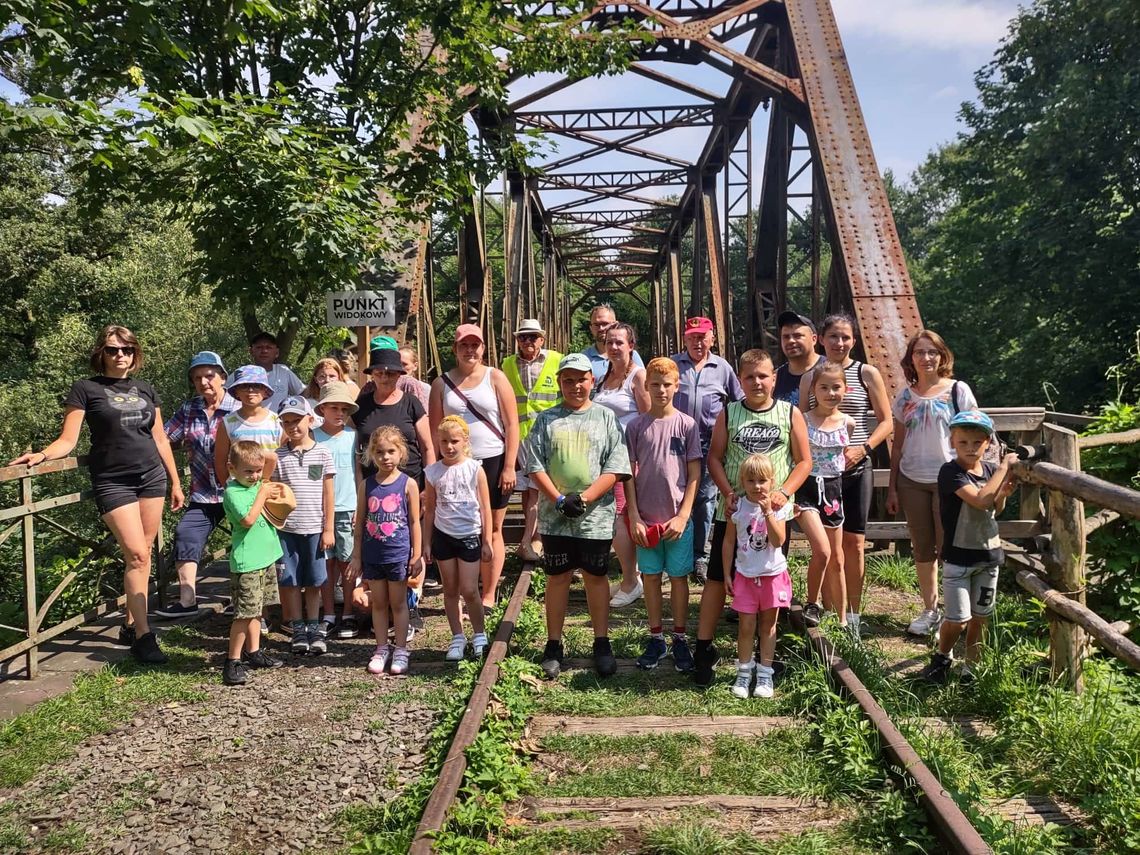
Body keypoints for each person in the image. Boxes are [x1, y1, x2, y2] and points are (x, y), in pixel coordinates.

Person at [11, 325, 184, 664]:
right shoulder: (85, 389)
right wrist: (42, 455)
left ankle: (131, 623)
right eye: (112, 350)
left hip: (151, 477)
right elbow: (68, 440)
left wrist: (175, 481)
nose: (120, 355)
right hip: (113, 480)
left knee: (144, 553)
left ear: (135, 354)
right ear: (100, 354)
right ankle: (145, 638)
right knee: (135, 554)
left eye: (127, 350)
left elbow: (160, 438)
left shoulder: (146, 388)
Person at [694, 349, 811, 688]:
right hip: (732, 512)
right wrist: (727, 492)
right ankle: (704, 647)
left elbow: (803, 461)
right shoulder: (729, 414)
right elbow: (714, 457)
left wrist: (784, 492)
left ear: (774, 379)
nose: (757, 382)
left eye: (763, 376)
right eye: (749, 377)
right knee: (717, 577)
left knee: (769, 577)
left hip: (772, 515)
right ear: (740, 381)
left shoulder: (789, 413)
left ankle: (765, 658)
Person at [526, 353, 631, 679]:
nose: (575, 386)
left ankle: (602, 642)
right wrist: (559, 499)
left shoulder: (606, 418)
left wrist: (584, 498)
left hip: (595, 516)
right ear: (560, 383)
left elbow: (615, 467)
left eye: (581, 379)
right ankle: (554, 645)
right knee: (557, 577)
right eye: (568, 380)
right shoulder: (546, 420)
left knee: (595, 576)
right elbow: (534, 466)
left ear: (591, 381)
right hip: (555, 515)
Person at [797, 313, 892, 640]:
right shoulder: (811, 376)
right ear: (821, 339)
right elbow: (800, 424)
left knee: (855, 544)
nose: (839, 343)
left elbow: (886, 421)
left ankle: (853, 613)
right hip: (824, 475)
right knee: (830, 548)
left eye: (846, 337)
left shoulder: (867, 373)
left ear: (854, 340)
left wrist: (862, 449)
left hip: (856, 468)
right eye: (833, 336)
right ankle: (830, 612)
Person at [887, 330, 978, 637]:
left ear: (942, 356)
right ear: (910, 358)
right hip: (912, 480)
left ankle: (956, 614)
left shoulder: (957, 391)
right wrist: (892, 487)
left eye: (932, 352)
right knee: (922, 548)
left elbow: (977, 436)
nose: (926, 358)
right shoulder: (904, 397)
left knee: (950, 548)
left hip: (949, 481)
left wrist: (976, 477)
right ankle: (931, 610)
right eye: (919, 352)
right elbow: (897, 446)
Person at [920, 411, 1017, 684]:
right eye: (963, 442)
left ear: (987, 443)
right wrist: (1003, 468)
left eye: (977, 442)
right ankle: (942, 656)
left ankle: (971, 669)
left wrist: (1003, 494)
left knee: (980, 617)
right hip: (959, 558)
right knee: (958, 619)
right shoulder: (950, 472)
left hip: (988, 555)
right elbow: (980, 500)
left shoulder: (986, 471)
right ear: (953, 442)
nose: (971, 448)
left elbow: (995, 506)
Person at [428, 324, 518, 610]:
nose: (470, 350)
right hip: (454, 466)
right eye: (464, 345)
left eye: (475, 345)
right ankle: (464, 591)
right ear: (455, 349)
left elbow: (512, 423)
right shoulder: (441, 384)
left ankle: (488, 594)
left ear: (482, 348)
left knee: (492, 528)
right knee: (460, 527)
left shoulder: (496, 377)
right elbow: (434, 432)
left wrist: (510, 466)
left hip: (492, 460)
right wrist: (434, 473)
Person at [625, 358, 702, 673]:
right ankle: (656, 636)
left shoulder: (687, 425)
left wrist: (684, 515)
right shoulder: (636, 426)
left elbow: (695, 472)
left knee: (680, 578)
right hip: (646, 519)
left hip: (676, 520)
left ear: (676, 386)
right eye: (654, 384)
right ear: (646, 386)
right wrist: (633, 516)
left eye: (667, 384)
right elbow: (628, 473)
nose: (660, 390)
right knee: (652, 577)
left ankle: (680, 637)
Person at [157, 351, 239, 619]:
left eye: (209, 376)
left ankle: (246, 602)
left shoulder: (239, 409)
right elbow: (164, 437)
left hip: (238, 490)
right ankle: (187, 600)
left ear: (223, 378)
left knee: (245, 542)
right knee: (186, 533)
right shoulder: (189, 409)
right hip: (204, 492)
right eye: (197, 378)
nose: (204, 382)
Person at [671, 316, 743, 584]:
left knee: (705, 500)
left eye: (702, 336)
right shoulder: (674, 365)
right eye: (692, 337)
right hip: (675, 442)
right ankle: (676, 554)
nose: (697, 342)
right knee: (674, 497)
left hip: (709, 444)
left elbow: (738, 401)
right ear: (685, 338)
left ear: (712, 338)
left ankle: (699, 557)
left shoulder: (722, 368)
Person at [348, 426, 422, 676]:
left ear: (401, 453)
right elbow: (359, 522)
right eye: (379, 452)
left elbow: (414, 522)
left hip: (398, 554)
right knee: (379, 603)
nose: (385, 457)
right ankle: (381, 648)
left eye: (391, 451)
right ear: (371, 454)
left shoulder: (408, 483)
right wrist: (356, 556)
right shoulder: (366, 485)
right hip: (373, 555)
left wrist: (417, 554)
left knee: (398, 603)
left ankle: (400, 648)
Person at [723, 453, 795, 699]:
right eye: (751, 481)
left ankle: (765, 673)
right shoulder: (738, 507)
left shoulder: (778, 508)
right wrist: (727, 574)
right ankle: (744, 672)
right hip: (745, 574)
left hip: (772, 576)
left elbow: (778, 540)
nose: (757, 486)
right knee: (746, 626)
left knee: (769, 625)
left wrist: (768, 513)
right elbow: (728, 541)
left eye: (762, 481)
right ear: (743, 482)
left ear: (772, 481)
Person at [424, 416, 494, 661]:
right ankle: (457, 636)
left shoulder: (475, 469)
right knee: (450, 589)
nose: (449, 446)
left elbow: (485, 507)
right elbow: (430, 509)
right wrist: (427, 541)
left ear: (465, 441)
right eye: (444, 441)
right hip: (444, 535)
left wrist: (487, 540)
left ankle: (479, 634)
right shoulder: (433, 472)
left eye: (454, 441)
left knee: (469, 589)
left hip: (469, 535)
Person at [272, 396, 336, 656]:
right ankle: (297, 626)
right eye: (286, 422)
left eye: (297, 420)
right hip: (286, 529)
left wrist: (328, 527)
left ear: (309, 419)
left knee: (314, 579)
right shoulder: (278, 456)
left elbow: (328, 493)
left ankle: (313, 625)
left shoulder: (322, 452)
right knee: (289, 579)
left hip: (314, 527)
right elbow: (272, 490)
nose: (292, 427)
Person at [593, 322, 650, 608]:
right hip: (605, 460)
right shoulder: (604, 377)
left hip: (627, 460)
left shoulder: (637, 377)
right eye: (609, 342)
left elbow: (648, 419)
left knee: (619, 519)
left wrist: (640, 459)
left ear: (631, 346)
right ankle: (632, 575)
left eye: (619, 342)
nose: (614, 347)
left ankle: (630, 582)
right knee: (616, 518)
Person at [220, 440, 285, 685]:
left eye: (257, 470)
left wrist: (259, 460)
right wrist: (262, 493)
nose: (256, 475)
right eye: (248, 471)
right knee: (243, 614)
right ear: (232, 469)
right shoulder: (233, 492)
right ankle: (232, 660)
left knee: (257, 610)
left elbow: (271, 459)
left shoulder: (258, 484)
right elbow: (247, 520)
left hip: (264, 558)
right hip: (247, 562)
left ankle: (254, 651)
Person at [798, 362, 855, 628]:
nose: (830, 393)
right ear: (813, 389)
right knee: (821, 551)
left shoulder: (848, 422)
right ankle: (813, 603)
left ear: (846, 388)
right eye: (824, 387)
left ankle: (843, 621)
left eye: (836, 387)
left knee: (838, 558)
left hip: (832, 491)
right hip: (807, 490)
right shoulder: (802, 419)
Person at [501, 318, 563, 563]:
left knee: (542, 488)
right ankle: (533, 538)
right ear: (517, 340)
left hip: (549, 434)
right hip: (519, 435)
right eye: (522, 337)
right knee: (528, 489)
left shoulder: (557, 360)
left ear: (542, 339)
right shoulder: (506, 365)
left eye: (533, 336)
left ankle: (534, 538)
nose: (527, 341)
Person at [313, 382, 360, 639]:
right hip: (318, 511)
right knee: (325, 564)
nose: (339, 413)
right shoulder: (312, 437)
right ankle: (329, 613)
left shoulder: (354, 437)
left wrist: (360, 507)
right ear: (322, 409)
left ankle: (349, 613)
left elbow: (358, 472)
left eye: (344, 408)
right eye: (334, 407)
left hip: (348, 507)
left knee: (347, 563)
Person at [213, 365, 282, 485]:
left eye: (257, 386)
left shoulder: (278, 421)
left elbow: (284, 456)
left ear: (265, 391)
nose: (250, 390)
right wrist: (230, 490)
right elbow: (220, 462)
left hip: (272, 490)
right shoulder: (227, 423)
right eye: (244, 386)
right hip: (241, 492)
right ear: (236, 392)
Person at [773, 311, 822, 407]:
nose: (791, 341)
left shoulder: (831, 369)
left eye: (797, 336)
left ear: (814, 339)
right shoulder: (776, 377)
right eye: (786, 337)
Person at [583, 304, 644, 381]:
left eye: (605, 324)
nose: (601, 328)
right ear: (591, 328)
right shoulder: (584, 359)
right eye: (596, 325)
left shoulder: (631, 355)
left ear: (615, 324)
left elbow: (645, 385)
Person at [248, 331, 303, 412]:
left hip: (279, 423)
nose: (264, 351)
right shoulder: (243, 373)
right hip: (251, 422)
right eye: (259, 347)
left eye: (269, 347)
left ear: (276, 352)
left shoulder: (283, 371)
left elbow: (303, 393)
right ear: (251, 351)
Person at [398, 345, 431, 410]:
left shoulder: (425, 388)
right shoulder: (387, 387)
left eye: (404, 364)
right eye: (397, 363)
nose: (400, 368)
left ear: (415, 366)